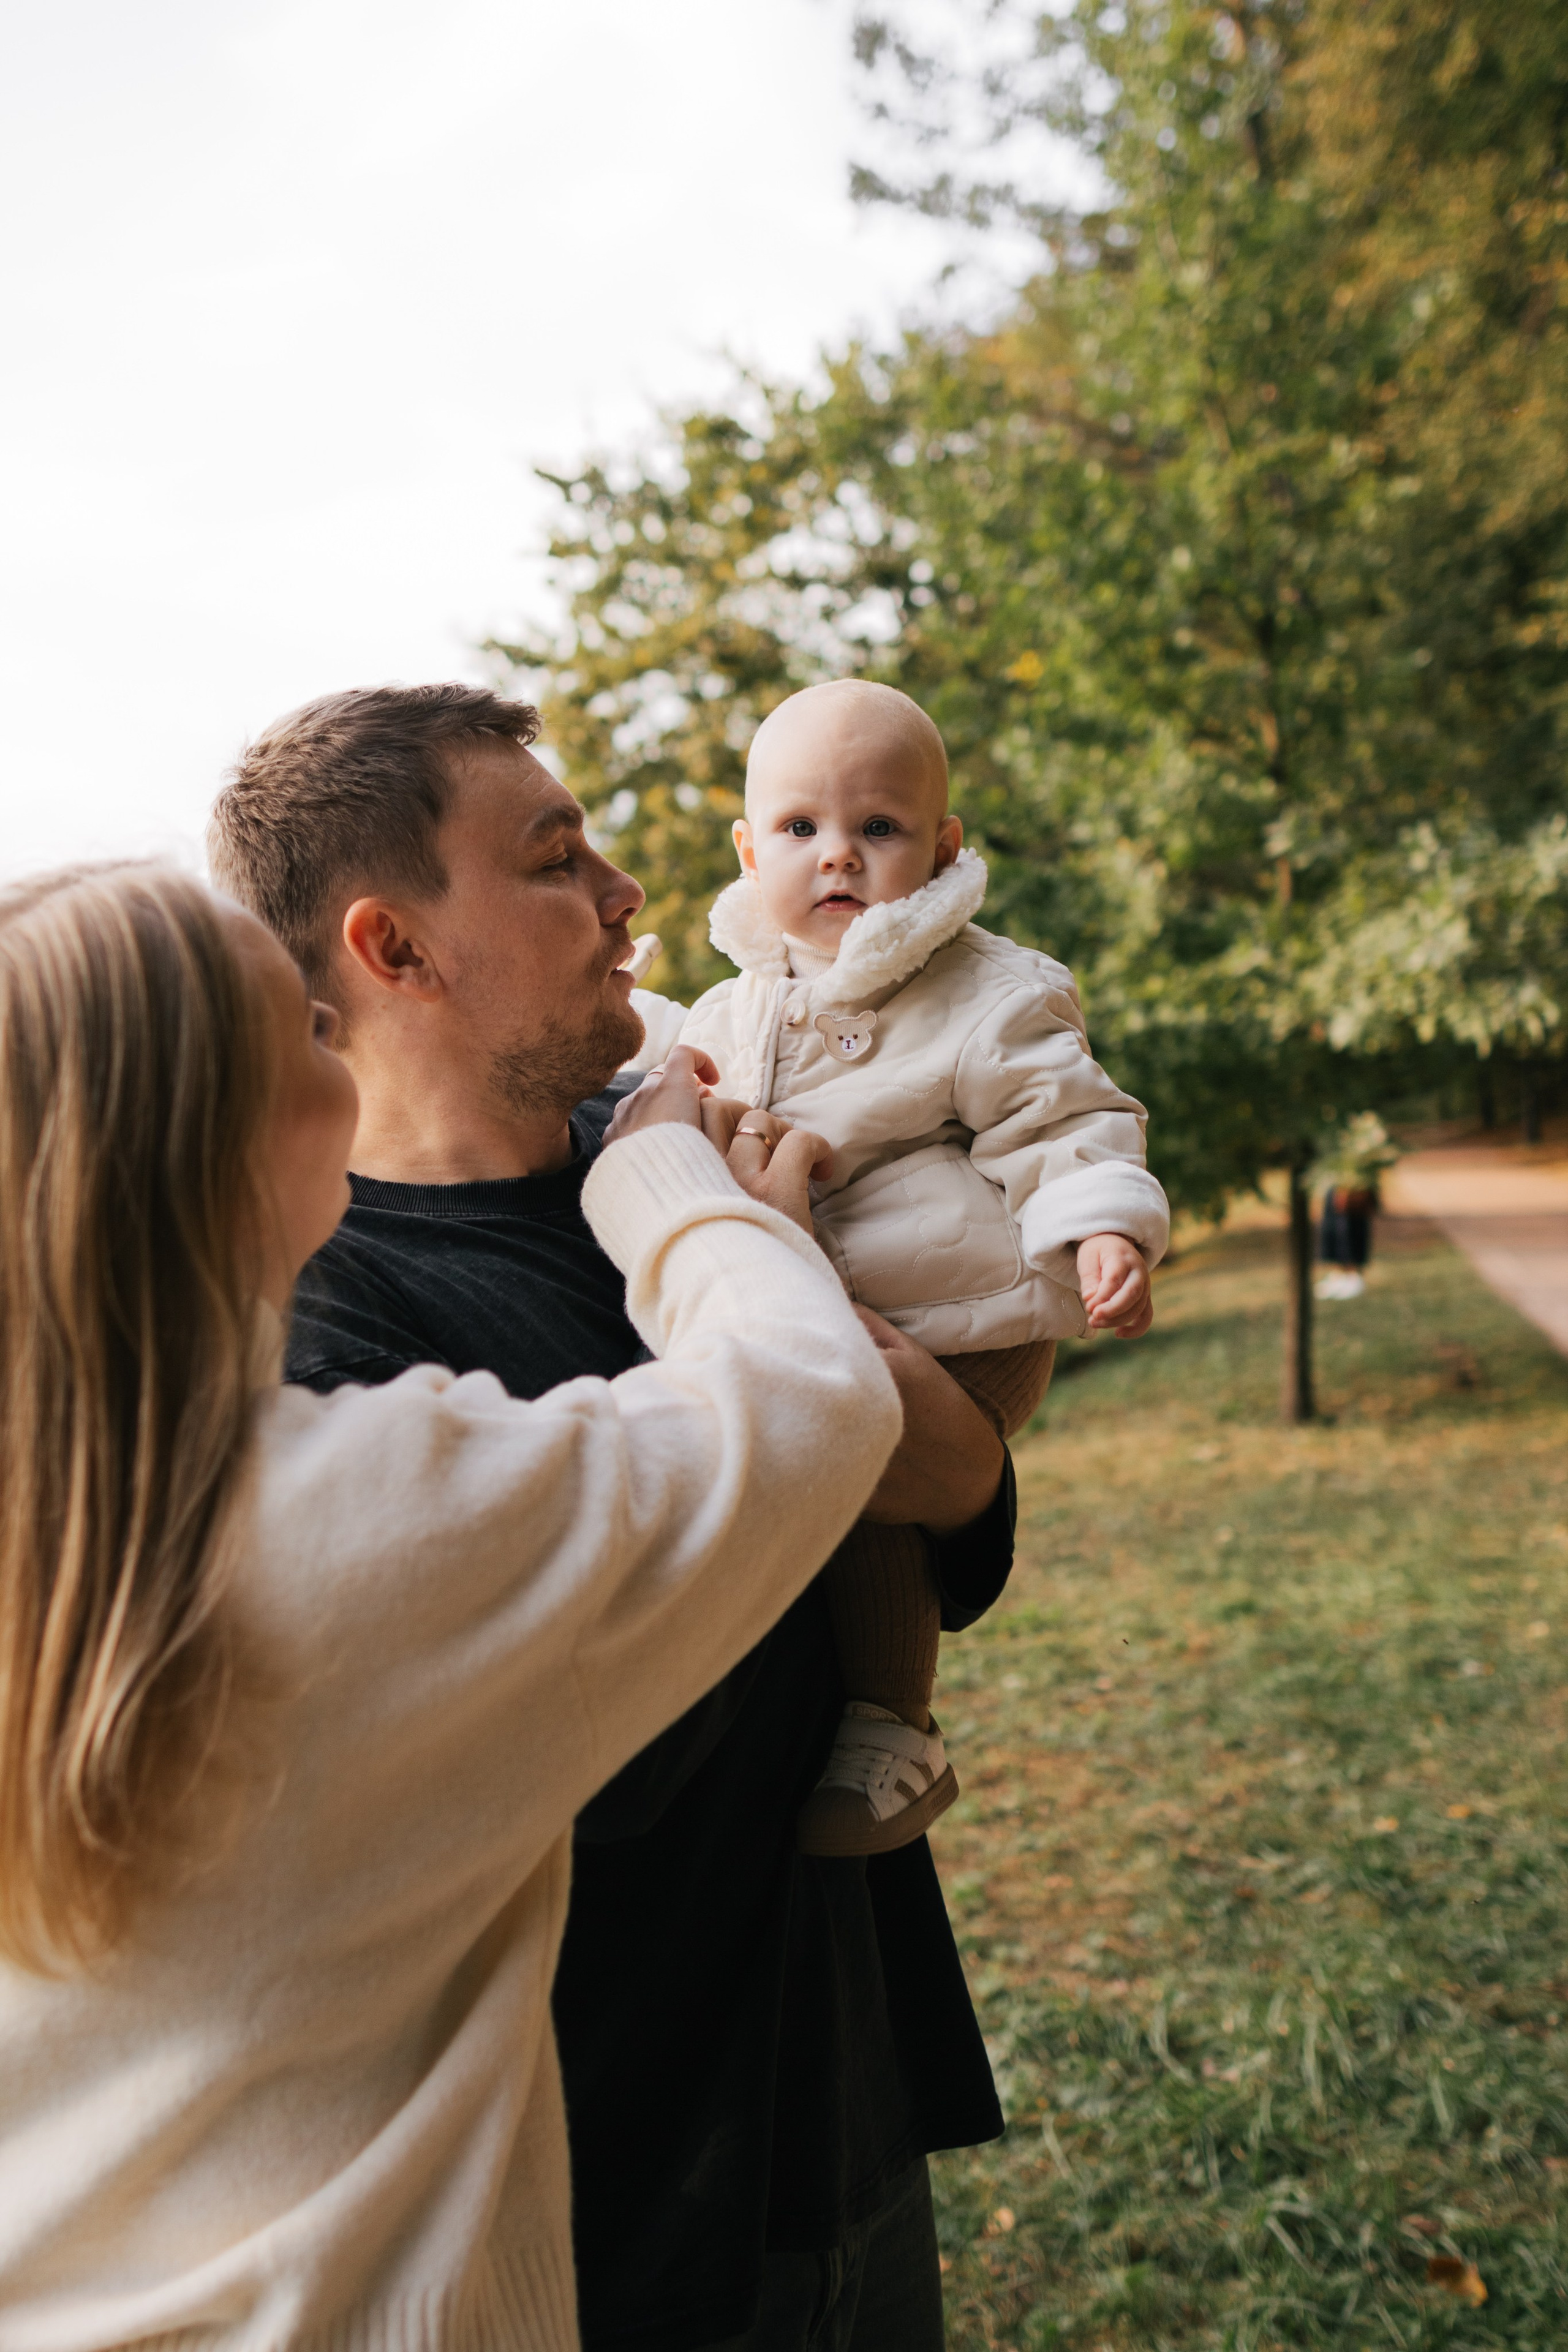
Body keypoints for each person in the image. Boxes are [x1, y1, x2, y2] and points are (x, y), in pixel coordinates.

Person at [208, 682, 1022, 2352]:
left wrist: (945, 1460)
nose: (627, 890)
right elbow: (613, 1719)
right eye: (555, 854)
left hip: (844, 2069)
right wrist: (849, 1420)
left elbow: (952, 1498)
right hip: (625, 2186)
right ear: (395, 948)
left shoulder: (676, 1164)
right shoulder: (324, 1324)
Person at [0, 861, 903, 2351]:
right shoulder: (358, 1515)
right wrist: (666, 1179)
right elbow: (804, 1408)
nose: (340, 1055)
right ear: (211, 1138)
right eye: (299, 1030)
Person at [641, 680, 1169, 1853]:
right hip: (840, 1309)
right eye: (799, 830)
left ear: (941, 849)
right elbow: (670, 1093)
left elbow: (1067, 1121)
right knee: (814, 1451)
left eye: (876, 829)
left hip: (968, 1325)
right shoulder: (735, 1009)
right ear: (747, 847)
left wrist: (1103, 1229)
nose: (837, 857)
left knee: (858, 1458)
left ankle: (896, 1723)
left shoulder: (987, 991)